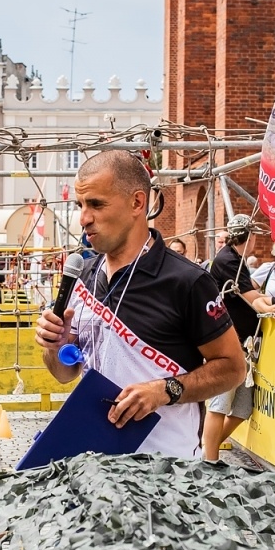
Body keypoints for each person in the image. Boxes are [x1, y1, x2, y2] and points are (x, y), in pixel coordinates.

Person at [35, 150, 245, 458]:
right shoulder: (83, 276)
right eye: (80, 205)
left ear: (137, 203)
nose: (83, 218)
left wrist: (165, 391)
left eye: (96, 204)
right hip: (94, 463)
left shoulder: (187, 281)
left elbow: (233, 369)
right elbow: (65, 374)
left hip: (166, 469)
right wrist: (54, 346)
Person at [201, 215, 275, 462]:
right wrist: (272, 305)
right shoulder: (228, 260)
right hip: (230, 342)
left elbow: (253, 294)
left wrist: (268, 300)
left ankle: (209, 448)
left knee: (243, 408)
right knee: (220, 404)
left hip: (243, 342)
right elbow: (253, 299)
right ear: (250, 236)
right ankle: (210, 459)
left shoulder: (235, 259)